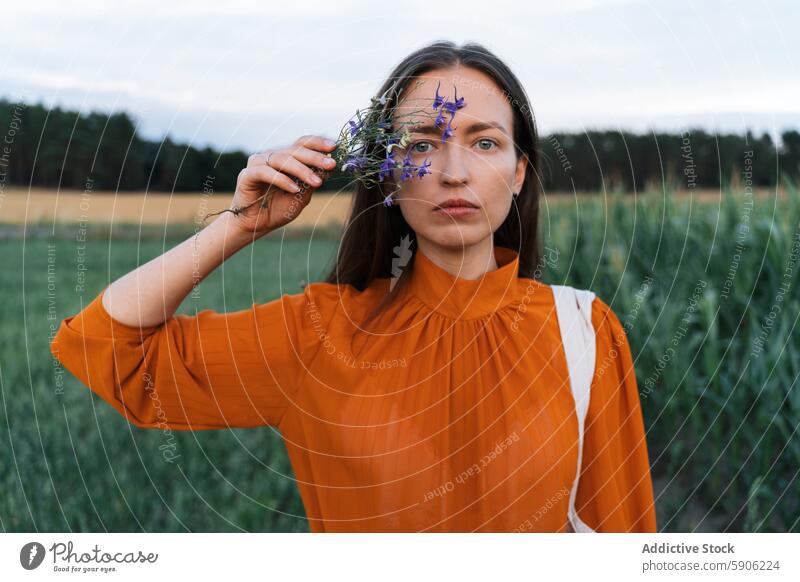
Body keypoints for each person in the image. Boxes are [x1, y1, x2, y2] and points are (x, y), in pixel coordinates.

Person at [49, 40, 657, 533]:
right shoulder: (319, 335)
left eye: (485, 142)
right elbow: (111, 347)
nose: (452, 171)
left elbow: (621, 535)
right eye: (421, 144)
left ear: (520, 172)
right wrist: (238, 227)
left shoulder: (584, 331)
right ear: (387, 174)